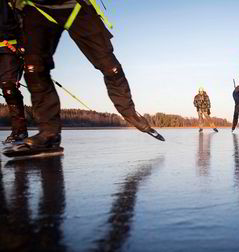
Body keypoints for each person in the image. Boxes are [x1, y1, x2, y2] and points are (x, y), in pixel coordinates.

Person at [12, 0, 163, 148]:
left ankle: (130, 113)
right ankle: (49, 133)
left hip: (76, 6)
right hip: (35, 8)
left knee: (110, 67)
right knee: (34, 69)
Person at [0, 0, 28, 144]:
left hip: (9, 49)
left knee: (9, 88)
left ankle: (20, 131)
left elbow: (23, 19)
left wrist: (23, 46)